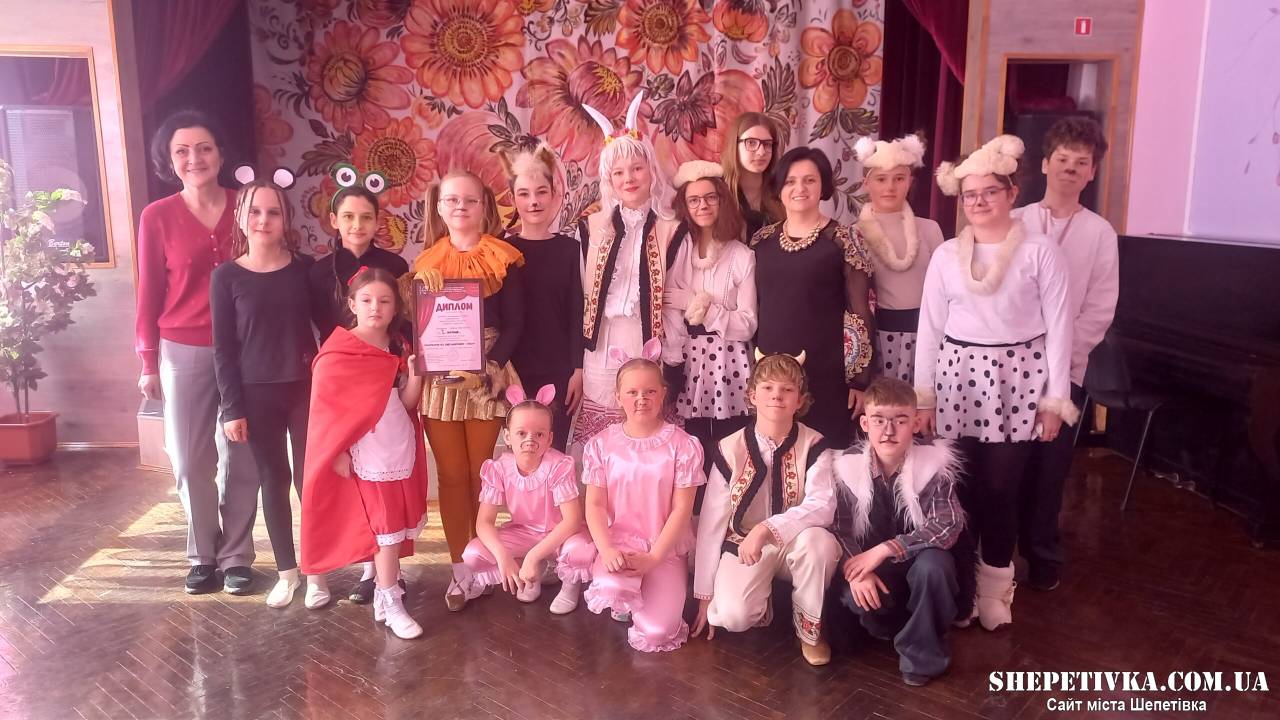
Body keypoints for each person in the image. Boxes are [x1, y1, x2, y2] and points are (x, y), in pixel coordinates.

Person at [919, 135, 1076, 630]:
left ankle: (995, 588)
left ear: (1012, 194)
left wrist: (1055, 400)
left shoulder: (1040, 251)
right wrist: (924, 397)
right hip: (958, 382)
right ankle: (964, 590)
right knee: (959, 490)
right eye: (971, 194)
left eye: (991, 191)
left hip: (1016, 382)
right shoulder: (947, 255)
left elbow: (1060, 329)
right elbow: (930, 328)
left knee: (1002, 490)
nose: (980, 201)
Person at [134, 110, 259, 595]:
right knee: (189, 460)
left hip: (246, 349)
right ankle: (202, 553)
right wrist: (147, 360)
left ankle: (236, 557)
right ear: (169, 161)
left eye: (204, 148)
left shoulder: (247, 206)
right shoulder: (157, 216)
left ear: (221, 154)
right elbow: (149, 292)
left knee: (242, 459)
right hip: (182, 348)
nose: (194, 158)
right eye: (182, 151)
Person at [1011, 116, 1118, 592]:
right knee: (1005, 465)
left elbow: (1099, 307)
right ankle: (996, 556)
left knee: (1049, 468)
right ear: (1045, 164)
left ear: (1091, 172)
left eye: (1081, 163)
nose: (1070, 169)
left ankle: (1042, 554)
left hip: (1063, 373)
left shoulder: (1100, 232)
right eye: (1063, 159)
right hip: (1008, 368)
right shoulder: (1016, 220)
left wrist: (1059, 359)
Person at [410, 170, 525, 611]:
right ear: (439, 207)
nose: (461, 207)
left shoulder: (503, 257)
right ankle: (460, 568)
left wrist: (490, 370)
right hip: (441, 377)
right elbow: (417, 327)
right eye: (452, 200)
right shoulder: (426, 262)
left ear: (483, 206)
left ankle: (483, 560)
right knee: (452, 476)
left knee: (482, 473)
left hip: (487, 373)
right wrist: (420, 295)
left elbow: (515, 323)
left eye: (470, 200)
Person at [299, 268, 428, 639]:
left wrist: (417, 376)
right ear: (352, 304)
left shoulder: (398, 346)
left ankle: (387, 597)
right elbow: (326, 411)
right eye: (367, 300)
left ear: (395, 307)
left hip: (397, 443)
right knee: (385, 527)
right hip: (367, 453)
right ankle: (391, 601)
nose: (376, 308)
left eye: (384, 301)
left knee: (395, 525)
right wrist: (337, 450)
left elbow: (405, 403)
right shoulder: (338, 352)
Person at [211, 169, 319, 608]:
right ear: (240, 216)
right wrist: (231, 408)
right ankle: (288, 573)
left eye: (273, 212)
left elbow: (330, 329)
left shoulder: (305, 270)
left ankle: (317, 572)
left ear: (285, 219)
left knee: (311, 482)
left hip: (305, 390)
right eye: (254, 211)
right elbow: (223, 349)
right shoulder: (226, 277)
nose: (263, 220)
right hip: (255, 395)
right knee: (274, 480)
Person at [691, 352, 839, 666]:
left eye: (787, 389)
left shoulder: (815, 445)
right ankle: (762, 597)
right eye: (768, 387)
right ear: (752, 396)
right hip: (745, 545)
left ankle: (810, 632)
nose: (777, 395)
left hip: (797, 543)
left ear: (800, 400)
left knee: (820, 544)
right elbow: (711, 523)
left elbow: (823, 505)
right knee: (731, 617)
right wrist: (704, 595)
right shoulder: (728, 449)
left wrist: (768, 529)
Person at [559, 339, 706, 652]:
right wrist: (607, 548)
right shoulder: (601, 445)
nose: (641, 399)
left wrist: (654, 558)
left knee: (657, 633)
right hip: (619, 543)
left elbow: (682, 510)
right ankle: (624, 593)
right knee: (612, 587)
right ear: (618, 396)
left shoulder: (684, 445)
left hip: (662, 547)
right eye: (632, 392)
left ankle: (645, 594)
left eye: (650, 391)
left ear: (663, 393)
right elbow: (595, 504)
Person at [829, 377, 965, 686]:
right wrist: (857, 572)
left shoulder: (933, 466)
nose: (888, 431)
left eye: (900, 421)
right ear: (865, 423)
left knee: (935, 567)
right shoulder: (847, 469)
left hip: (917, 563)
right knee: (856, 600)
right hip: (874, 570)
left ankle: (922, 656)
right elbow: (838, 529)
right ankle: (899, 628)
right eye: (879, 420)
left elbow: (947, 523)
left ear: (916, 423)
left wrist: (886, 549)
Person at [575, 92, 682, 443]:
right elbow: (581, 295)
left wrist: (673, 354)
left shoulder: (671, 228)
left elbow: (676, 295)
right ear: (609, 179)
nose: (629, 178)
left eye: (637, 168)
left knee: (645, 421)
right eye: (618, 172)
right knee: (604, 433)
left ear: (651, 170)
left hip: (648, 338)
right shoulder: (592, 228)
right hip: (602, 342)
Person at [751, 147, 876, 448]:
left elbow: (861, 312)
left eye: (809, 180)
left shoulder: (845, 239)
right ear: (779, 188)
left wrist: (859, 381)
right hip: (771, 373)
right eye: (790, 181)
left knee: (823, 456)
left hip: (827, 372)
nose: (800, 188)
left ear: (823, 187)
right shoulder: (761, 240)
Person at [661, 160, 756, 482]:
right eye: (694, 200)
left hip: (729, 361)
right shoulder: (677, 251)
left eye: (710, 197)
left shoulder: (741, 255)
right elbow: (667, 307)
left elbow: (747, 324)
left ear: (722, 200)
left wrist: (699, 305)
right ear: (685, 206)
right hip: (687, 359)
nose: (703, 205)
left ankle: (734, 506)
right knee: (693, 447)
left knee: (733, 447)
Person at [459, 384, 588, 612]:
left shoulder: (559, 466)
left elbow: (572, 521)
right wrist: (503, 556)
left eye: (539, 434)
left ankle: (569, 584)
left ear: (549, 439)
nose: (530, 440)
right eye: (521, 433)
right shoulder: (498, 468)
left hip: (560, 534)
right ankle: (532, 574)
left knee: (580, 550)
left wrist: (532, 555)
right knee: (473, 554)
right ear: (507, 436)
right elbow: (484, 522)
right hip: (524, 533)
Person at [501, 144, 583, 452]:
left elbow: (577, 312)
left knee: (554, 452)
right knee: (521, 455)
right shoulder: (500, 251)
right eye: (524, 194)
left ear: (554, 195)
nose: (533, 201)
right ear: (513, 200)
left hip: (558, 371)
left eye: (541, 192)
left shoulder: (572, 250)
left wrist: (578, 370)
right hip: (512, 371)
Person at [854, 134, 946, 383]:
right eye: (881, 179)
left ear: (910, 182)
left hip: (925, 336)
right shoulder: (854, 234)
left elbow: (943, 289)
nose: (890, 187)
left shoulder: (930, 230)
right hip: (877, 338)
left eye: (899, 178)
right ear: (866, 183)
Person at [309, 166, 409, 343]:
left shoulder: (396, 266)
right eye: (348, 216)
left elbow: (402, 320)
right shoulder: (319, 272)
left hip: (387, 353)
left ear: (377, 222)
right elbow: (322, 323)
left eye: (366, 217)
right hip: (339, 353)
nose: (357, 225)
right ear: (334, 220)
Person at [721, 112, 785, 240]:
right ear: (734, 145)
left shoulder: (783, 191)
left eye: (767, 144)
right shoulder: (718, 191)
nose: (761, 152)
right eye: (751, 143)